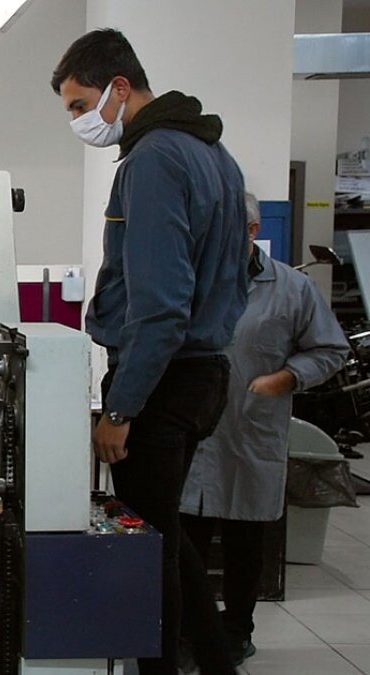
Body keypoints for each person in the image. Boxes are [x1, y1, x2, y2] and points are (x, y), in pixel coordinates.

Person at [51, 29, 248, 675]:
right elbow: (238, 273)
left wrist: (122, 408)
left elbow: (160, 307)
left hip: (162, 381)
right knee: (168, 538)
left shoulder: (154, 160)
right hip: (203, 372)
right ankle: (216, 662)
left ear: (120, 87)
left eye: (80, 106)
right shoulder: (212, 153)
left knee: (149, 558)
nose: (79, 121)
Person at [180, 192, 349, 666]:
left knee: (244, 543)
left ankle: (237, 631)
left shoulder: (293, 288)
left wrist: (287, 377)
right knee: (186, 542)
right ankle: (187, 633)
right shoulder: (190, 280)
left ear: (252, 232)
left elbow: (330, 350)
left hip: (250, 431)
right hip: (193, 431)